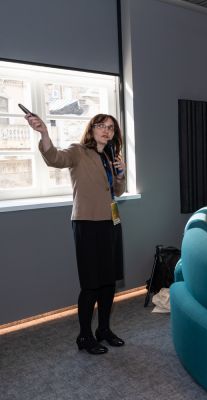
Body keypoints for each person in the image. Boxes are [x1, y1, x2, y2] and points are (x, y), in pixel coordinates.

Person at [25, 112, 127, 355]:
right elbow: (54, 158)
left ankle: (103, 329)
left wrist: (121, 173)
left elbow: (118, 191)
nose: (107, 130)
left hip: (111, 223)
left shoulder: (111, 156)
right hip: (87, 224)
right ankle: (84, 336)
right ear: (91, 129)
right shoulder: (78, 151)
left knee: (108, 283)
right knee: (91, 284)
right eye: (101, 126)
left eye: (111, 127)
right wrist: (44, 133)